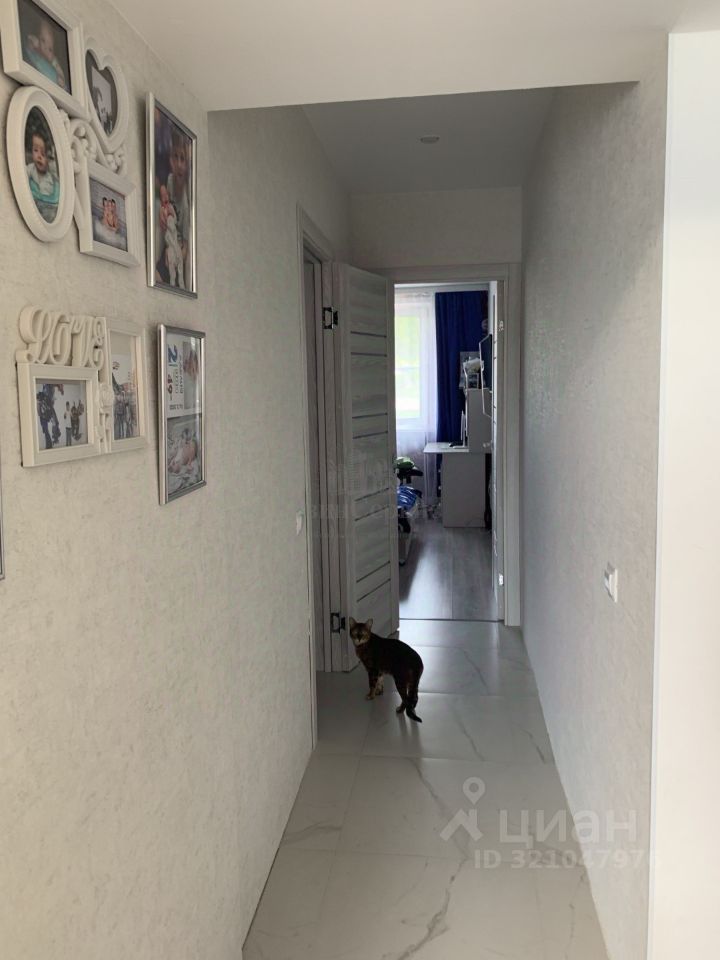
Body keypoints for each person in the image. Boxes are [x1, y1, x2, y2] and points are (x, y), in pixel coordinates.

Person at [26, 125, 59, 224]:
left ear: (49, 158)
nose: (39, 156)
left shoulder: (52, 180)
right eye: (35, 150)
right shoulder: (30, 169)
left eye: (43, 154)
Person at [25, 19, 66, 89]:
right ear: (38, 37)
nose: (45, 48)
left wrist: (60, 79)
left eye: (50, 49)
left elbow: (61, 76)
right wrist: (32, 44)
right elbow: (28, 41)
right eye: (43, 40)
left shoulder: (54, 61)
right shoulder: (37, 44)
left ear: (54, 53)